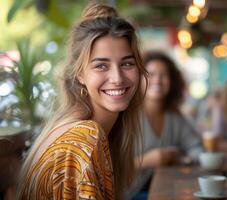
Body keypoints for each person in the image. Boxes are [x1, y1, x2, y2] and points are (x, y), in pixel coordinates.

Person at [17, 2, 148, 199]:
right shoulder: (84, 138)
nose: (118, 78)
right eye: (101, 66)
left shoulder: (87, 128)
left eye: (127, 63)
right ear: (80, 74)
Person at [126, 52, 203, 200]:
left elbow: (197, 148)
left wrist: (181, 157)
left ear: (172, 82)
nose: (157, 81)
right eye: (151, 74)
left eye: (164, 75)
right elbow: (109, 166)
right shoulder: (127, 117)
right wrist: (146, 160)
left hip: (162, 190)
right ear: (139, 79)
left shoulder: (174, 117)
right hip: (128, 194)